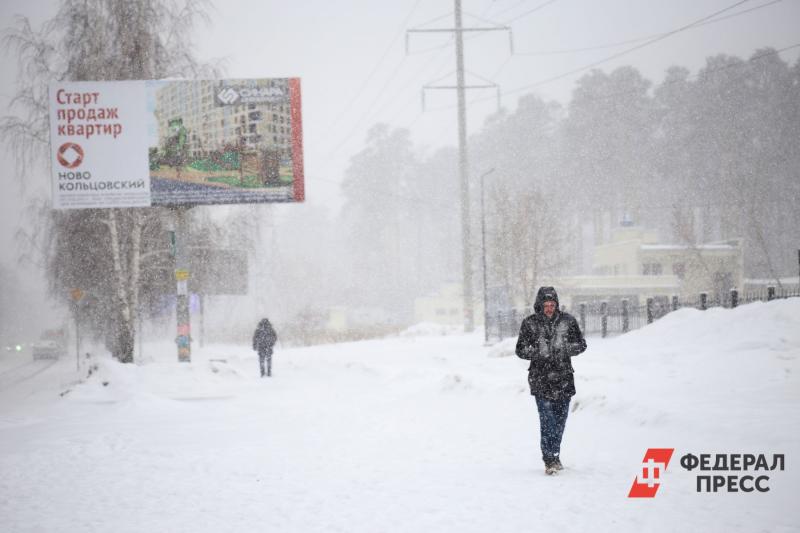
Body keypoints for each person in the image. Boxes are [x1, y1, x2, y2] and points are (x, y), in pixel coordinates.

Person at [515, 286, 587, 475]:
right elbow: (520, 349)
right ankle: (549, 459)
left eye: (552, 304)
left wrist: (565, 349)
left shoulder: (568, 321)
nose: (549, 308)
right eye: (546, 304)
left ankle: (555, 455)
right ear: (539, 305)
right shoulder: (529, 323)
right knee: (547, 421)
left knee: (560, 422)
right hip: (541, 379)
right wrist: (538, 352)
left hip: (564, 378)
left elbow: (581, 344)